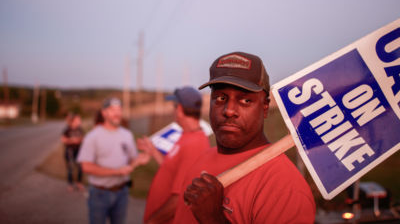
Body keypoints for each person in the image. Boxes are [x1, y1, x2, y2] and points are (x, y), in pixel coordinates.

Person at [173, 52, 316, 223]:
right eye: (220, 98)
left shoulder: (285, 188)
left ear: (264, 107)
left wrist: (213, 219)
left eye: (245, 100)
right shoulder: (202, 159)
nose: (229, 110)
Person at [138, 86, 211, 224]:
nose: (173, 110)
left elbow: (181, 197)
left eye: (174, 106)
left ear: (180, 109)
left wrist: (152, 221)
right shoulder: (187, 135)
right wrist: (153, 150)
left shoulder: (195, 144)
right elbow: (171, 167)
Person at [77, 97, 149, 224]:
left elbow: (132, 160)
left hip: (122, 193)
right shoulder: (93, 136)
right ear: (104, 113)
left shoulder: (127, 134)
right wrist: (116, 172)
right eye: (112, 109)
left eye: (119, 109)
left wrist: (141, 159)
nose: (117, 113)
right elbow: (86, 167)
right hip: (99, 194)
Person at [61, 112, 84, 191]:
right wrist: (72, 140)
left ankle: (79, 183)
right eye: (78, 120)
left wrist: (78, 140)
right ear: (73, 120)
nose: (79, 121)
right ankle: (70, 184)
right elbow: (63, 140)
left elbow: (82, 138)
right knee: (70, 168)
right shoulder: (67, 129)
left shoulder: (80, 129)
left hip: (79, 151)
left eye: (79, 120)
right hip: (69, 151)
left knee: (80, 168)